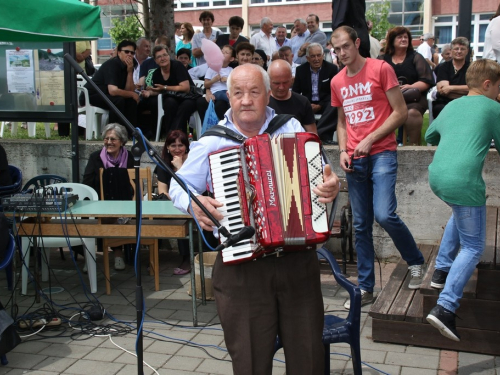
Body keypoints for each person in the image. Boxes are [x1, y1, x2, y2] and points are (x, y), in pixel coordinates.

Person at [169, 63, 340, 375]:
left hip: (297, 264)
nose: (245, 100)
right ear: (229, 98)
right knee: (249, 363)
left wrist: (331, 186)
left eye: (253, 92)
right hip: (242, 270)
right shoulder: (212, 142)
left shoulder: (292, 129)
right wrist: (193, 202)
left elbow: (324, 176)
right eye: (237, 93)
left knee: (309, 360)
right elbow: (177, 186)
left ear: (267, 95)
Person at [330, 26, 426, 309]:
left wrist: (371, 138)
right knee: (360, 225)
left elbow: (400, 112)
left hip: (382, 152)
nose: (341, 53)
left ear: (357, 43)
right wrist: (343, 151)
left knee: (384, 214)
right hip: (355, 158)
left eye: (345, 46)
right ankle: (366, 289)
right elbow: (342, 121)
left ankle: (415, 261)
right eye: (336, 49)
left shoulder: (381, 68)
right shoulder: (337, 81)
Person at [425, 59, 500, 342]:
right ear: (488, 84)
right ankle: (445, 306)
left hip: (438, 177)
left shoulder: (453, 106)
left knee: (460, 214)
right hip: (464, 181)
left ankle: (441, 271)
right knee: (473, 246)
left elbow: (430, 135)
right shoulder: (494, 108)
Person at [82, 123, 134, 270]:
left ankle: (118, 255)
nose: (109, 142)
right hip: (100, 202)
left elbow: (134, 182)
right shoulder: (95, 157)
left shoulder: (129, 157)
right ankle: (90, 257)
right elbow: (87, 181)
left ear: (122, 141)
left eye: (113, 139)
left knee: (118, 215)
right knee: (94, 219)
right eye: (106, 138)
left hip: (123, 201)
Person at [381, 26, 434, 145]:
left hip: (413, 98)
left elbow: (426, 81)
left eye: (406, 37)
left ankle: (414, 146)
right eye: (400, 37)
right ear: (392, 40)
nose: (403, 39)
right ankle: (383, 146)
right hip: (389, 99)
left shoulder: (416, 57)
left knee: (412, 113)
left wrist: (411, 86)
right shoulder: (383, 59)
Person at [140, 45, 197, 137]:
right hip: (172, 98)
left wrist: (165, 87)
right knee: (169, 103)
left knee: (185, 105)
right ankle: (174, 135)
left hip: (188, 97)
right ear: (155, 60)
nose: (163, 58)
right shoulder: (156, 74)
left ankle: (172, 135)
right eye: (159, 57)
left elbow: (185, 88)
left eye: (165, 55)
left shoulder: (177, 66)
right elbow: (159, 90)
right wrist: (149, 92)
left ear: (168, 56)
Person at [156, 130, 192, 274]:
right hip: (173, 203)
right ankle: (154, 257)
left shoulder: (193, 161)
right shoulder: (163, 164)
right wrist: (177, 200)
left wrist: (180, 168)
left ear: (186, 146)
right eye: (173, 145)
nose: (177, 149)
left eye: (180, 145)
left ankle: (187, 259)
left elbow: (193, 188)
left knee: (182, 215)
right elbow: (162, 191)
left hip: (193, 201)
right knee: (155, 217)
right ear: (167, 148)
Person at [84, 40, 139, 132]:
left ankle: (130, 132)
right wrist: (132, 94)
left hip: (107, 95)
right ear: (119, 53)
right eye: (126, 52)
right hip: (92, 95)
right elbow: (113, 91)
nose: (129, 55)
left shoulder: (129, 66)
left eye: (132, 53)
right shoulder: (112, 64)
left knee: (131, 101)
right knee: (118, 101)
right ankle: (114, 132)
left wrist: (130, 72)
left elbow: (129, 90)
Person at [293, 43, 338, 143]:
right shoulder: (301, 70)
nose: (316, 59)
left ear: (323, 56)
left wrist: (320, 105)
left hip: (325, 103)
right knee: (294, 102)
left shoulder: (332, 69)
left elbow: (334, 92)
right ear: (308, 58)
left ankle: (317, 133)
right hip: (307, 103)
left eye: (318, 55)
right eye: (313, 56)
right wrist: (307, 104)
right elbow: (296, 91)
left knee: (335, 103)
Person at [268, 59, 316, 133]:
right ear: (268, 81)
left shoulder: (302, 102)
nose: (281, 87)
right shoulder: (262, 102)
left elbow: (312, 134)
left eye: (285, 82)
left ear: (292, 79)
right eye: (277, 83)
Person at [432, 37, 470, 119]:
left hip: (466, 102)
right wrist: (464, 90)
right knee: (440, 109)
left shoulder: (472, 68)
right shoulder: (443, 67)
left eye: (462, 49)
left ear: (467, 51)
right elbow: (443, 91)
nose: (459, 51)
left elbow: (475, 89)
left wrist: (451, 88)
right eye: (456, 49)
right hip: (445, 102)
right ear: (452, 51)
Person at [204, 45, 235, 118]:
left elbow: (235, 83)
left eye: (226, 52)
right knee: (225, 96)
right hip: (216, 92)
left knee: (228, 95)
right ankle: (234, 108)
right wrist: (213, 80)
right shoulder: (211, 68)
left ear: (231, 59)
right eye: (221, 51)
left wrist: (227, 80)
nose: (222, 53)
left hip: (228, 91)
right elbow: (206, 85)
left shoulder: (231, 70)